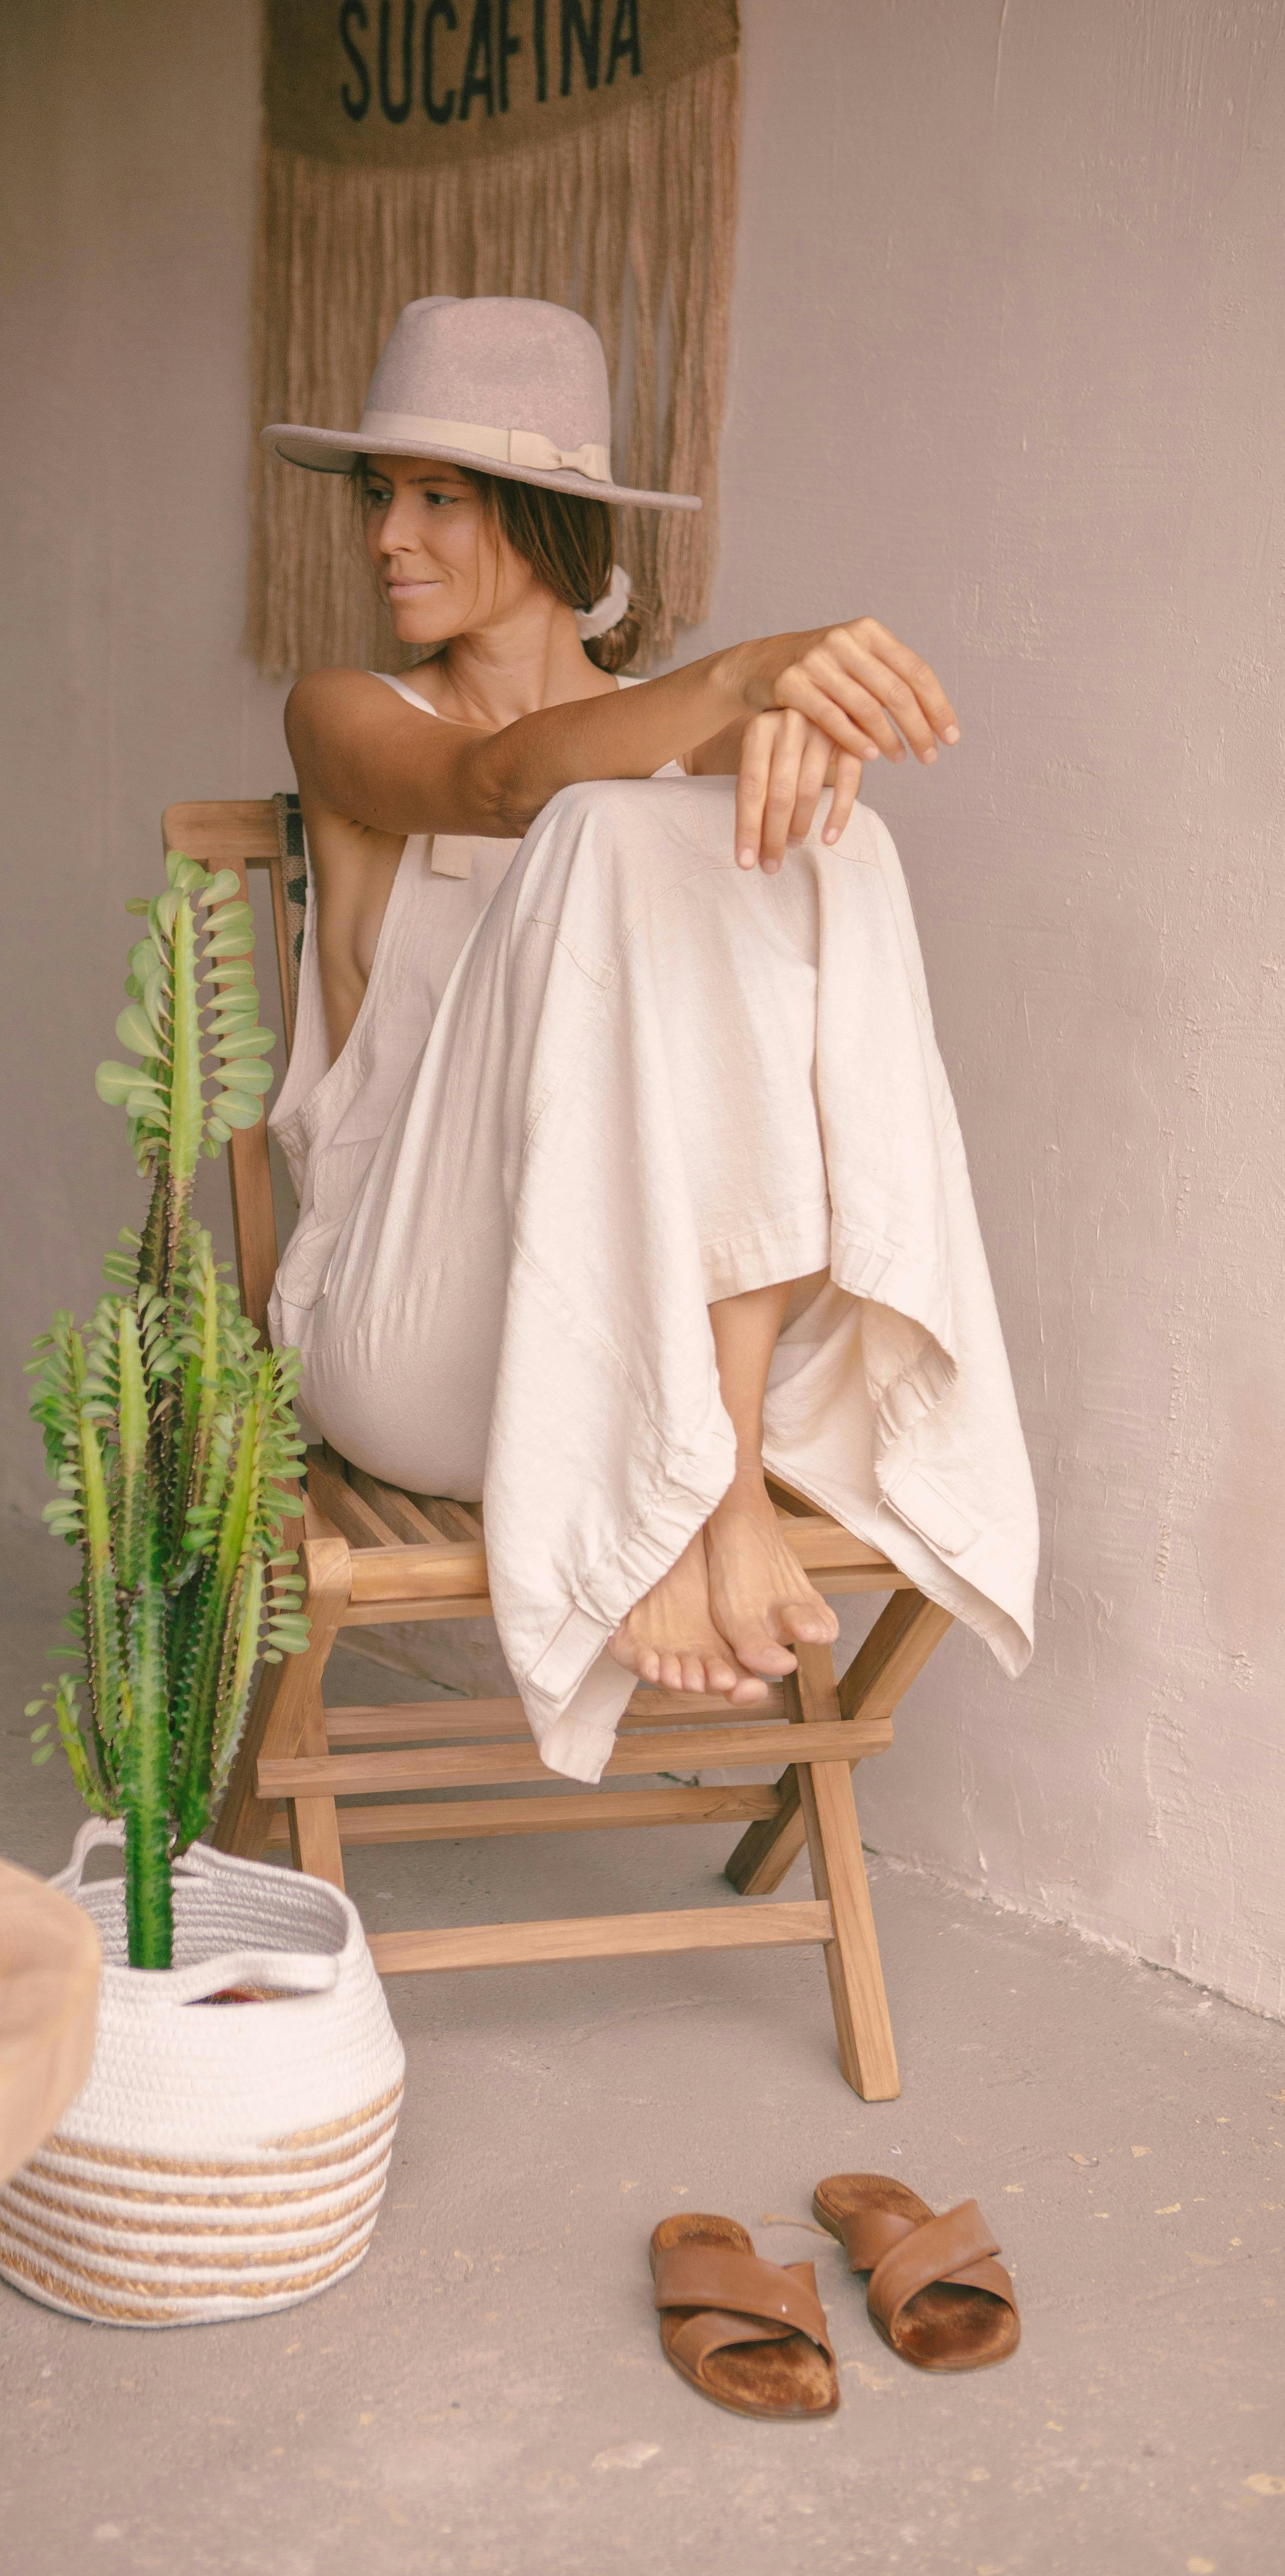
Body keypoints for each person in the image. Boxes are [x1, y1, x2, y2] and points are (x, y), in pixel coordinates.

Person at [260, 294, 1037, 1785]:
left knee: (825, 848)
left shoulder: (664, 752)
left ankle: (712, 1477)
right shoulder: (343, 713)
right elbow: (500, 784)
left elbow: (760, 811)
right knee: (617, 833)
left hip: (660, 1340)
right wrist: (747, 679)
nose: (384, 540)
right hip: (411, 1337)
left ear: (547, 519)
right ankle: (708, 1474)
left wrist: (791, 736)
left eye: (437, 498)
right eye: (379, 497)